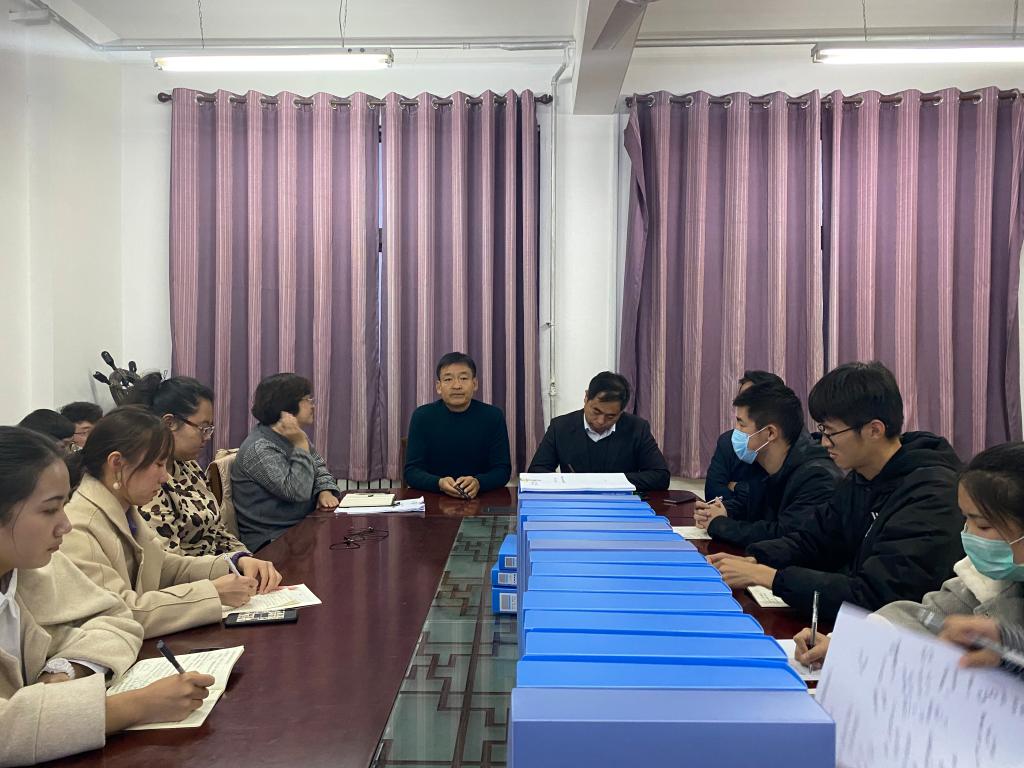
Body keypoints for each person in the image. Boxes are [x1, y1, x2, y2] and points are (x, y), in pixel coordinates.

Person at [0, 426, 216, 766]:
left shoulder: (31, 567)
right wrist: (134, 706)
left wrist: (65, 670)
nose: (65, 525)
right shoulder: (65, 538)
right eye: (49, 510)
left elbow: (116, 617)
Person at [710, 361, 963, 622]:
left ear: (874, 430)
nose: (824, 443)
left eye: (831, 432)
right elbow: (815, 540)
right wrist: (756, 559)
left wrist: (772, 578)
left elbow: (877, 596)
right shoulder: (862, 477)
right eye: (822, 430)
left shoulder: (932, 496)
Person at [793, 441, 1024, 674]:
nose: (967, 533)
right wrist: (847, 642)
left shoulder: (922, 492)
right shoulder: (985, 579)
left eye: (983, 525)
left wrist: (1009, 649)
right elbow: (927, 617)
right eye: (966, 518)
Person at [61, 407, 281, 638]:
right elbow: (119, 615)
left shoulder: (123, 507)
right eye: (158, 464)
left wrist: (233, 563)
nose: (165, 477)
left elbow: (162, 567)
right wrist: (212, 594)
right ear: (117, 463)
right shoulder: (79, 528)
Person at [695, 382, 841, 548]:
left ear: (770, 433)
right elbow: (752, 502)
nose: (735, 432)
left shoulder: (816, 477)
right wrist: (722, 511)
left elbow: (784, 537)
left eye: (741, 424)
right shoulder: (770, 463)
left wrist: (720, 525)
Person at [128, 373, 249, 556]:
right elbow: (170, 562)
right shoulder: (147, 480)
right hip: (193, 572)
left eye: (209, 429)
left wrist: (243, 557)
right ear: (169, 423)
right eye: (203, 428)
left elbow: (216, 529)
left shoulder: (187, 466)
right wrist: (228, 565)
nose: (207, 437)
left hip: (219, 564)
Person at [231, 373, 341, 551]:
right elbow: (296, 492)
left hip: (300, 528)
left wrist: (324, 490)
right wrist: (301, 444)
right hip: (272, 540)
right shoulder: (260, 447)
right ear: (287, 406)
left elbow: (318, 467)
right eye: (308, 399)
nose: (313, 405)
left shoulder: (292, 436)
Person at [527, 371, 670, 492]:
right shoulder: (560, 427)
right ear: (586, 397)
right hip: (574, 503)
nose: (601, 421)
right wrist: (568, 482)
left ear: (621, 412)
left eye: (611, 416)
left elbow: (661, 476)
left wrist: (609, 482)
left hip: (620, 505)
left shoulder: (637, 428)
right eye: (596, 411)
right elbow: (536, 472)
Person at [404, 352, 512, 499]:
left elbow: (502, 470)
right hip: (434, 499)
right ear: (438, 386)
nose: (457, 386)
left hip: (480, 499)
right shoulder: (422, 416)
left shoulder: (493, 416)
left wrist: (479, 482)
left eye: (463, 378)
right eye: (448, 379)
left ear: (475, 384)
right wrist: (438, 483)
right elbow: (411, 471)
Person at [704, 370, 784, 513]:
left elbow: (770, 503)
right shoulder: (728, 442)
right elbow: (713, 494)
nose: (743, 405)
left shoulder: (781, 448)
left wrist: (737, 487)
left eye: (750, 399)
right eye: (741, 398)